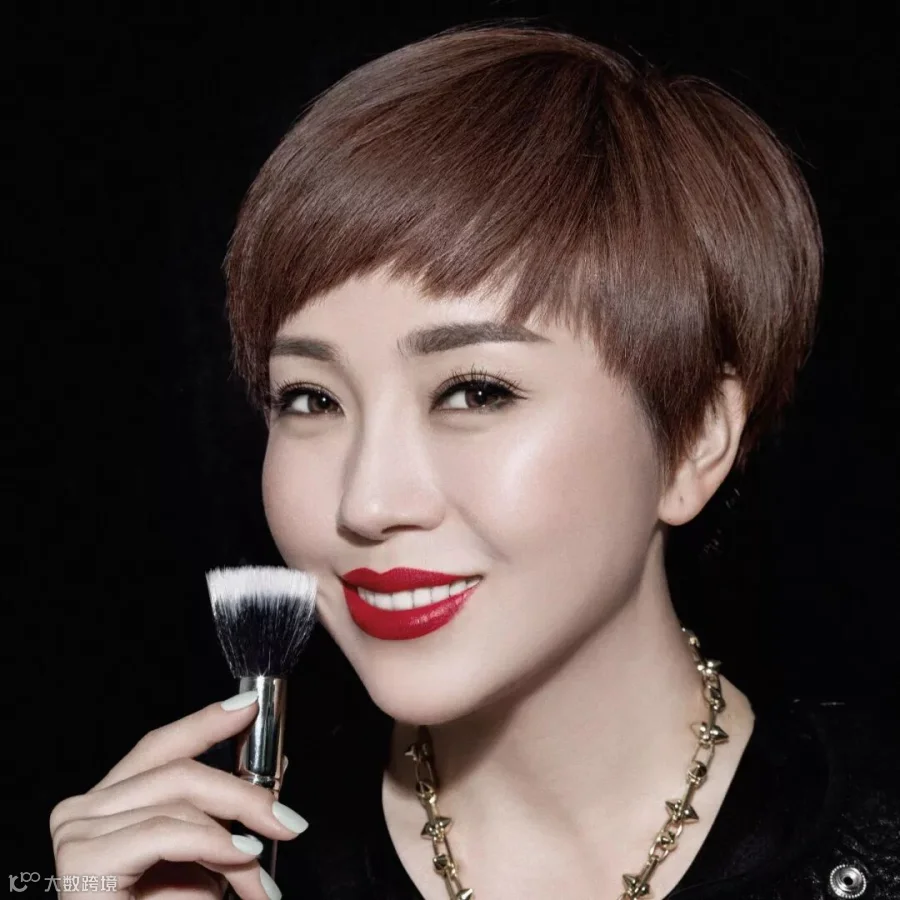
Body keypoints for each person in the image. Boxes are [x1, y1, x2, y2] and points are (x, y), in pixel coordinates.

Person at [49, 24, 898, 900]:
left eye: (475, 392)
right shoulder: (223, 870)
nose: (367, 502)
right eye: (310, 399)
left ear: (693, 440)